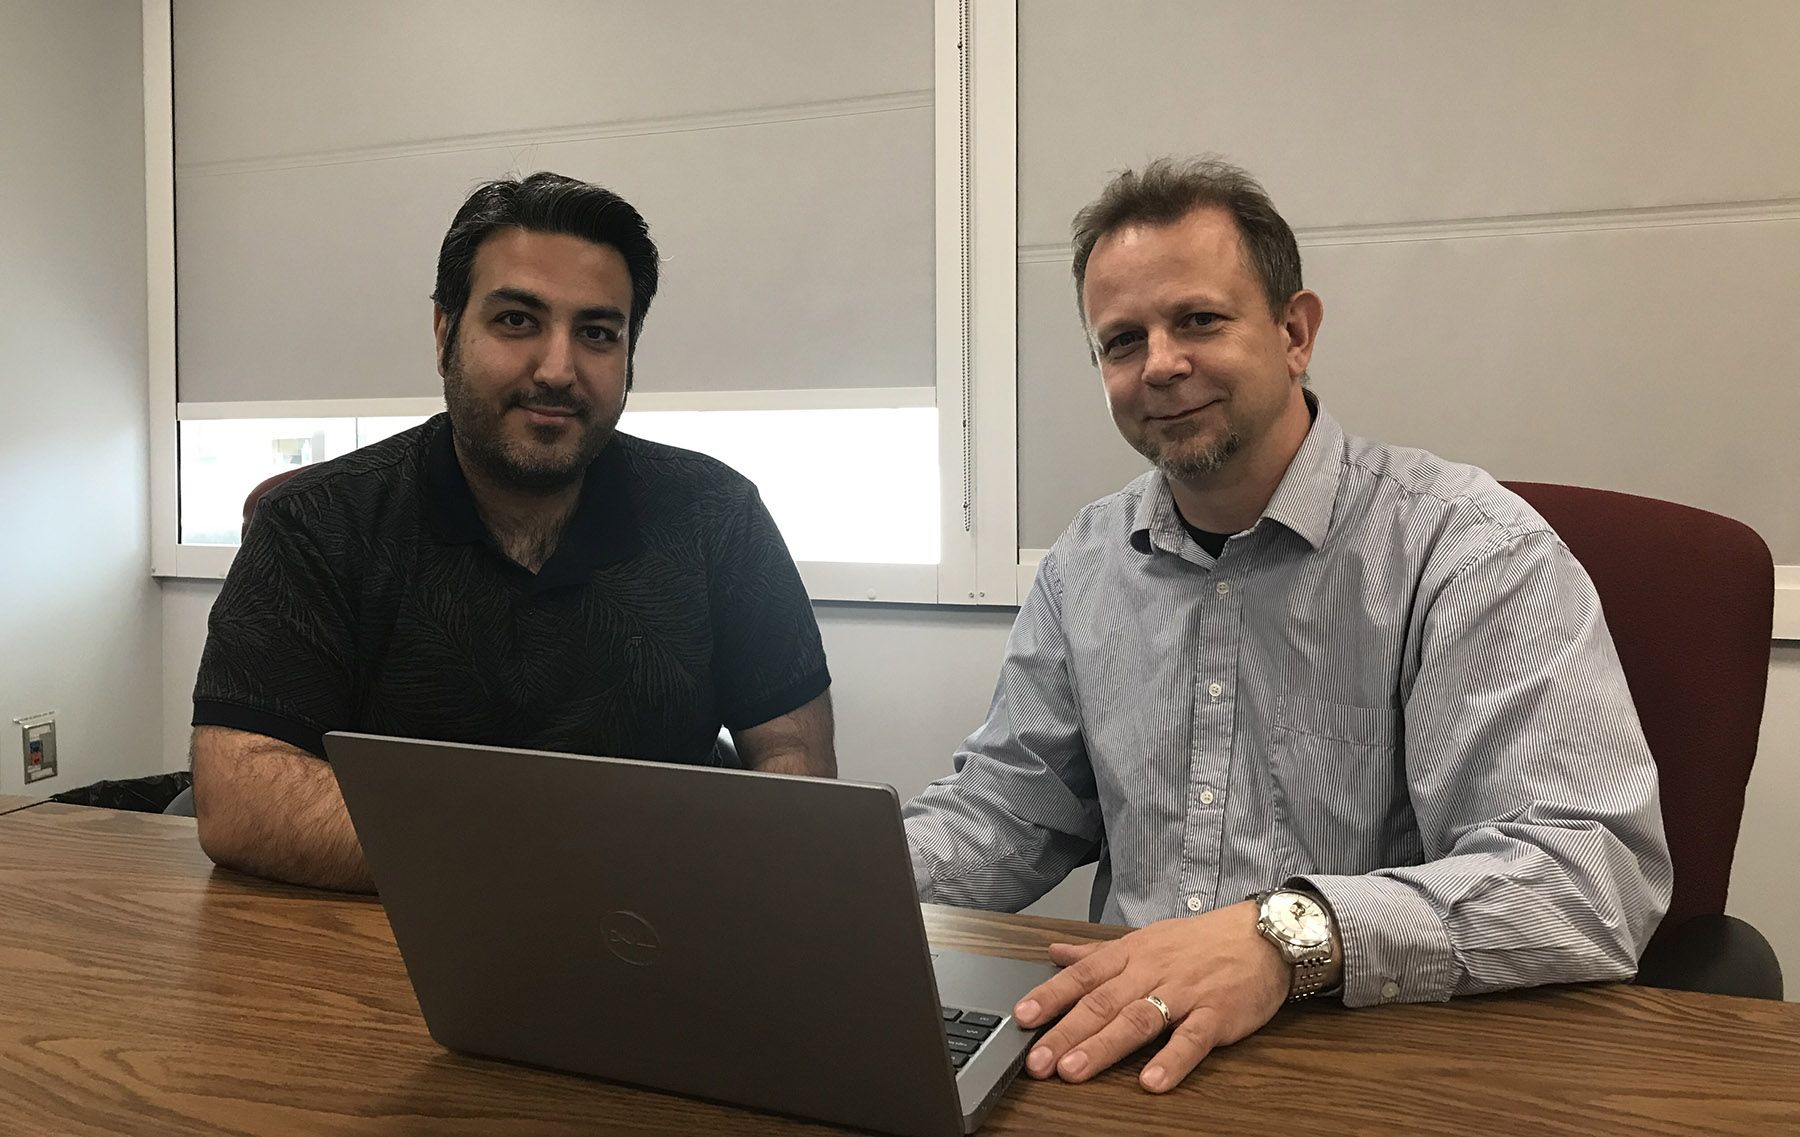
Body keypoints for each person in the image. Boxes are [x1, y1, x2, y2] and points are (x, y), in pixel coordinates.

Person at [902, 157, 1671, 1094]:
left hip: (1372, 1064)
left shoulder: (1468, 550)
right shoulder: (1085, 564)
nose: (1162, 364)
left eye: (1198, 320)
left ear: (1295, 331)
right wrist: (818, 890)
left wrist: (1288, 934)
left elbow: (1587, 879)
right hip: (1117, 1054)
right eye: (1121, 340)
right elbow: (1006, 812)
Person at [192, 172, 835, 892]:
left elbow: (792, 756)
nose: (558, 370)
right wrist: (557, 864)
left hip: (645, 948)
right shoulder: (316, 524)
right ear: (445, 334)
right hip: (371, 953)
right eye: (517, 321)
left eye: (597, 332)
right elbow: (238, 795)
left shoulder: (719, 517)